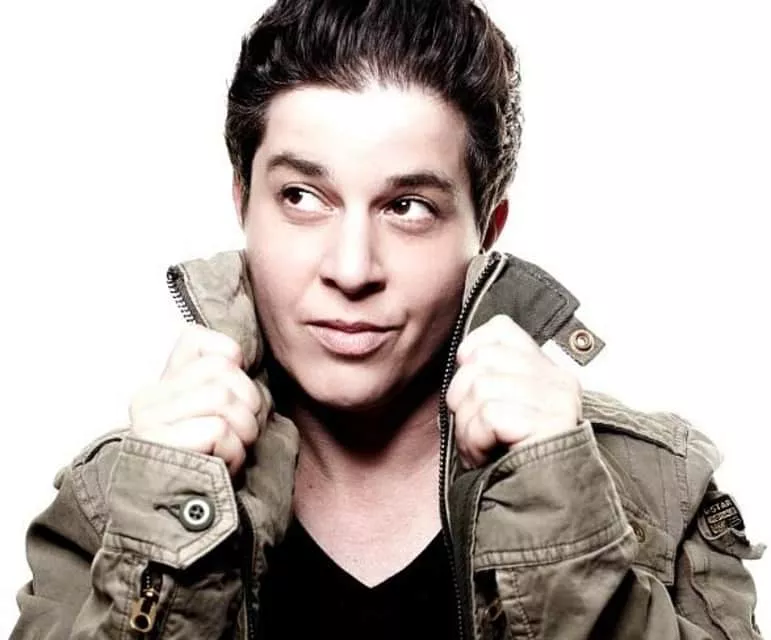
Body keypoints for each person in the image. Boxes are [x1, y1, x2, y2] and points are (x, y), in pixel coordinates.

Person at [11, 0, 765, 638]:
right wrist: (163, 519)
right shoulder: (115, 498)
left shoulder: (657, 488)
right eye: (302, 198)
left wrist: (557, 519)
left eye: (407, 207)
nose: (351, 269)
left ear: (486, 229)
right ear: (242, 202)